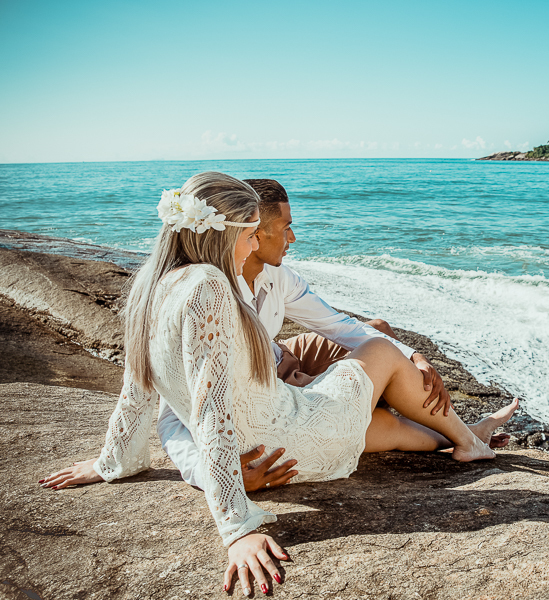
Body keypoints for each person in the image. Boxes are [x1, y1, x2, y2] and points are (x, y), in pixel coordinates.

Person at [38, 172, 518, 596]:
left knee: (375, 427)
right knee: (384, 351)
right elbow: (210, 411)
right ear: (228, 233)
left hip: (277, 444)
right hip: (286, 435)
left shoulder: (152, 283)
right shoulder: (209, 286)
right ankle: (469, 443)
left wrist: (114, 463)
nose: (255, 247)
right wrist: (235, 526)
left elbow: (138, 388)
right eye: (250, 234)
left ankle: (467, 437)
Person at [157, 178, 483, 492]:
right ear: (251, 231)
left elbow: (337, 324)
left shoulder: (274, 275)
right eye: (285, 228)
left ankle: (459, 432)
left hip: (273, 358)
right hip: (260, 390)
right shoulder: (207, 296)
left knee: (379, 332)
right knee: (380, 365)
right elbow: (176, 412)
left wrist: (414, 355)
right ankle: (463, 436)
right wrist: (217, 476)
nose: (293, 238)